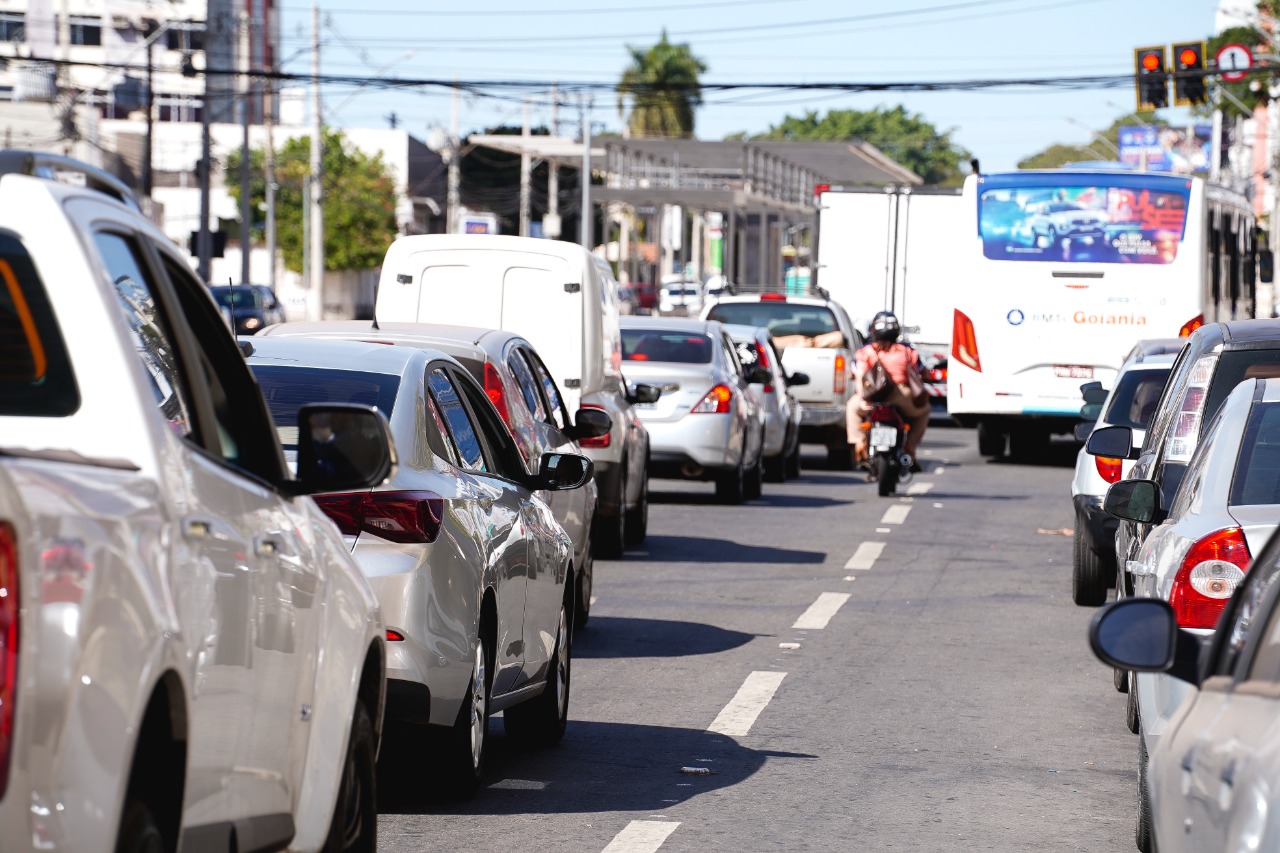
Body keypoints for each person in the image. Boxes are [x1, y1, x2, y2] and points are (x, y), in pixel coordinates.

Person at [847, 311, 929, 471]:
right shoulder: (907, 350)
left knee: (852, 408)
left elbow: (860, 375)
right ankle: (910, 448)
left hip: (872, 396)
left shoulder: (865, 351)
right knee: (923, 411)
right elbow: (922, 372)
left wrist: (863, 398)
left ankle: (859, 443)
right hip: (901, 395)